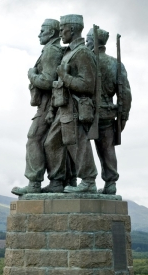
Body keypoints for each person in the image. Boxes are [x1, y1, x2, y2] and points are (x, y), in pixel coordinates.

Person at [43, 14, 99, 193]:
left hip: (75, 107)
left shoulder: (82, 53)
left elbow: (87, 85)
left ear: (72, 29)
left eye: (62, 29)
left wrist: (65, 76)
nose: (60, 33)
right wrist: (52, 108)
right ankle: (57, 182)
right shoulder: (69, 52)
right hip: (63, 107)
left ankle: (89, 181)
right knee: (52, 143)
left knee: (77, 143)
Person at [12, 19, 63, 195]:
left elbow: (48, 81)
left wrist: (32, 75)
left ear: (52, 33)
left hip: (48, 104)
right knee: (51, 142)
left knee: (34, 138)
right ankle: (57, 181)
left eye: (43, 31)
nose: (39, 34)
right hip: (51, 104)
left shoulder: (50, 50)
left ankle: (34, 183)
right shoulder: (53, 49)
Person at [86, 27, 132, 195]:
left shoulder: (87, 60)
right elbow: (125, 93)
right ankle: (110, 183)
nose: (85, 42)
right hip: (108, 113)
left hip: (87, 113)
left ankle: (85, 180)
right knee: (107, 149)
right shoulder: (116, 64)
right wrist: (123, 117)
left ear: (92, 42)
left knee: (82, 147)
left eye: (87, 40)